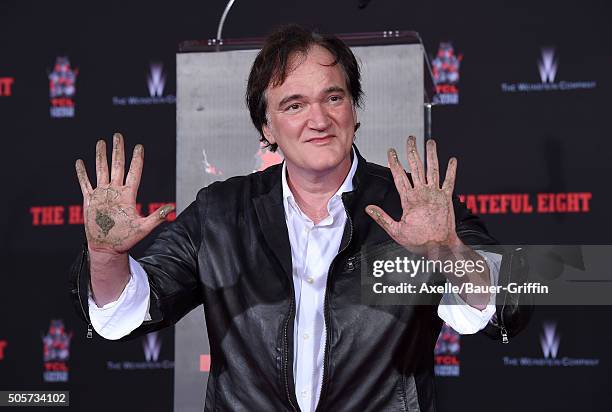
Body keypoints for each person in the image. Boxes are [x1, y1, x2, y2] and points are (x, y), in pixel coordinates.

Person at [70, 25, 529, 411]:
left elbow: (508, 302)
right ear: (267, 127)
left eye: (334, 98)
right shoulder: (220, 212)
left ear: (353, 109)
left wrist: (447, 252)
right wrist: (106, 255)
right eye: (294, 105)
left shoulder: (415, 205)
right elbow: (123, 315)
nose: (319, 119)